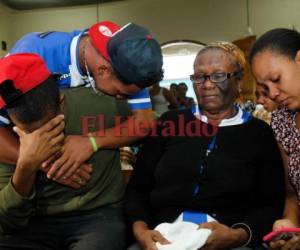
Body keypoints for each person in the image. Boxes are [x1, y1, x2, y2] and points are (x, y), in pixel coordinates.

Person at [125, 42, 285, 250]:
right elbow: (137, 189)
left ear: (238, 81)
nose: (207, 84)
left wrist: (238, 235)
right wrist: (142, 232)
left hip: (227, 240)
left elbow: (270, 202)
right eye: (199, 76)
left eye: (218, 75)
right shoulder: (170, 123)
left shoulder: (258, 133)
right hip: (161, 237)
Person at [0, 20, 163, 182]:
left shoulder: (126, 58)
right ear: (103, 70)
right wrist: (48, 166)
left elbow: (144, 122)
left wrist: (92, 141)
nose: (121, 99)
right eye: (120, 93)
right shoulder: (33, 55)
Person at [0, 53, 131, 249]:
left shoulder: (98, 104)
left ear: (61, 104)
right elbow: (8, 221)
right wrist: (26, 166)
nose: (39, 139)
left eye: (49, 126)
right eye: (29, 132)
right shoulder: (7, 139)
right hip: (36, 223)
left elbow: (149, 123)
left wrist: (93, 141)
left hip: (97, 216)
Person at [249, 28, 300, 250]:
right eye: (264, 87)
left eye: (276, 79)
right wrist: (289, 225)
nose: (272, 94)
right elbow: (291, 194)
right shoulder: (282, 122)